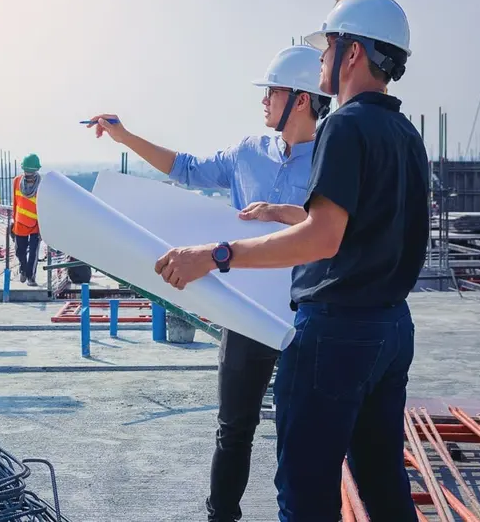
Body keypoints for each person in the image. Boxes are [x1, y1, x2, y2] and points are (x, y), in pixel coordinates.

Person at [153, 0, 427, 521]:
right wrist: (290, 213)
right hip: (392, 330)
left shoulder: (343, 126)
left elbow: (324, 240)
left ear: (352, 53)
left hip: (336, 333)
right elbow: (372, 231)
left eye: (327, 48)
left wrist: (216, 254)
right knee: (382, 483)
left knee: (305, 492)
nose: (322, 60)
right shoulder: (404, 133)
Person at [88, 44, 331, 522]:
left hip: (309, 314)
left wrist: (287, 214)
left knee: (301, 432)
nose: (263, 101)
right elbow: (186, 168)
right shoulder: (246, 154)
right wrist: (125, 137)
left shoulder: (332, 158)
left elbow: (344, 227)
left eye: (272, 92)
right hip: (246, 313)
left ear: (301, 100)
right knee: (233, 429)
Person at [11, 154, 43, 287]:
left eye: (30, 172)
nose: (28, 175)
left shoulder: (42, 184)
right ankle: (23, 269)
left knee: (34, 253)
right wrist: (13, 221)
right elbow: (15, 202)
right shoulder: (17, 181)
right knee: (20, 251)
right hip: (20, 222)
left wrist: (43, 227)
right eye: (26, 172)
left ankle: (31, 277)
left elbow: (44, 206)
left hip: (36, 224)